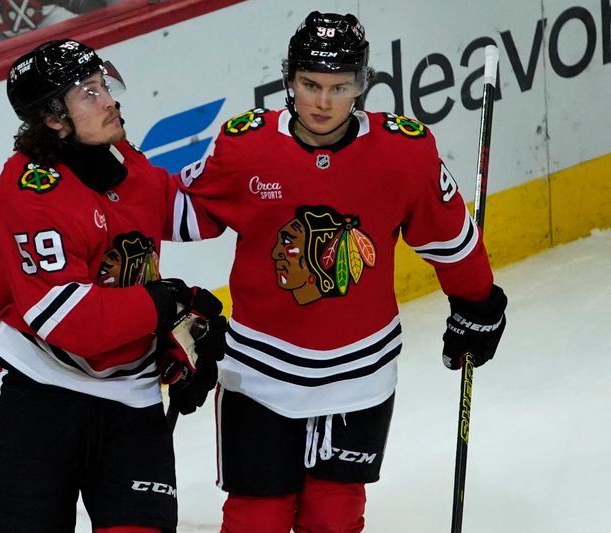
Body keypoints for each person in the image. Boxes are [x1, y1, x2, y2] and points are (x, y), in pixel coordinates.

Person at [170, 11, 508, 533]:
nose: (323, 102)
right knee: (256, 520)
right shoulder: (244, 145)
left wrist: (477, 303)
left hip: (361, 375)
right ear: (288, 80)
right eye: (310, 84)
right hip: (261, 373)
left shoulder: (405, 150)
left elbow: (449, 239)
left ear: (361, 85)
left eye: (340, 86)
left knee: (335, 518)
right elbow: (176, 211)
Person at [0, 39, 225, 533]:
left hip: (130, 403)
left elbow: (191, 211)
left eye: (104, 85)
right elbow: (69, 321)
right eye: (88, 93)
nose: (109, 99)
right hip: (39, 398)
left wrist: (270, 165)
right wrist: (165, 304)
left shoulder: (120, 158)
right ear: (52, 118)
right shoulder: (32, 192)